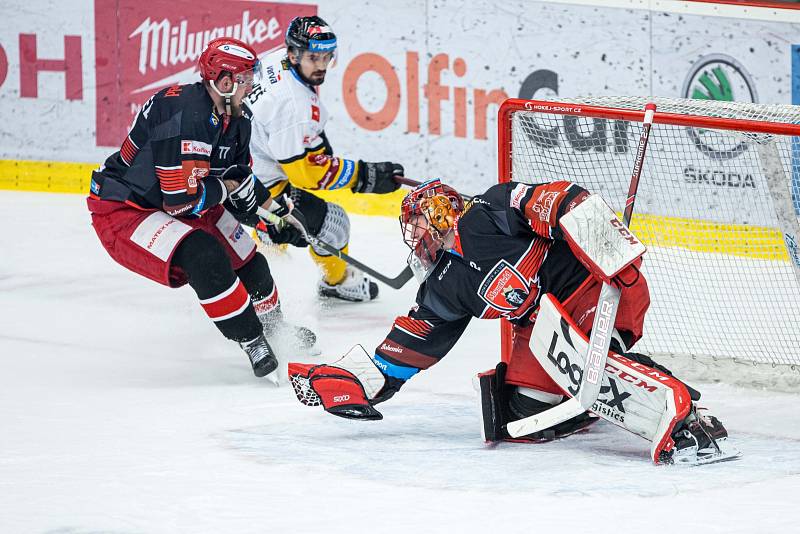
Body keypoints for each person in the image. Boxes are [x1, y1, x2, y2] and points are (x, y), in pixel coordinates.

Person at [287, 178, 738, 465]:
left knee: (582, 365)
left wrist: (609, 246)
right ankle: (595, 397)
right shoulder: (443, 286)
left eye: (418, 227)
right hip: (547, 327)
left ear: (436, 217)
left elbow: (561, 199)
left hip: (599, 289)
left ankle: (687, 421)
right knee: (519, 415)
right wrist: (351, 381)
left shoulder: (491, 209)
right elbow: (413, 346)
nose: (416, 240)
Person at [87, 37, 315, 381]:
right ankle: (252, 339)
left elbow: (238, 179)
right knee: (204, 256)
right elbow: (180, 202)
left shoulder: (236, 118)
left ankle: (274, 329)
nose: (252, 87)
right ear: (224, 82)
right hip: (126, 209)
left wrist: (272, 217)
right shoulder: (183, 115)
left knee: (250, 262)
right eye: (247, 79)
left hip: (186, 198)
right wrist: (229, 191)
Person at [242, 15, 404, 303]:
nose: (321, 65)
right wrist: (364, 177)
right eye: (313, 57)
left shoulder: (278, 60)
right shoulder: (294, 107)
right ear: (294, 53)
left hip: (242, 166)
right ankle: (336, 284)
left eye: (327, 56)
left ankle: (267, 242)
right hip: (259, 187)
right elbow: (306, 176)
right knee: (335, 224)